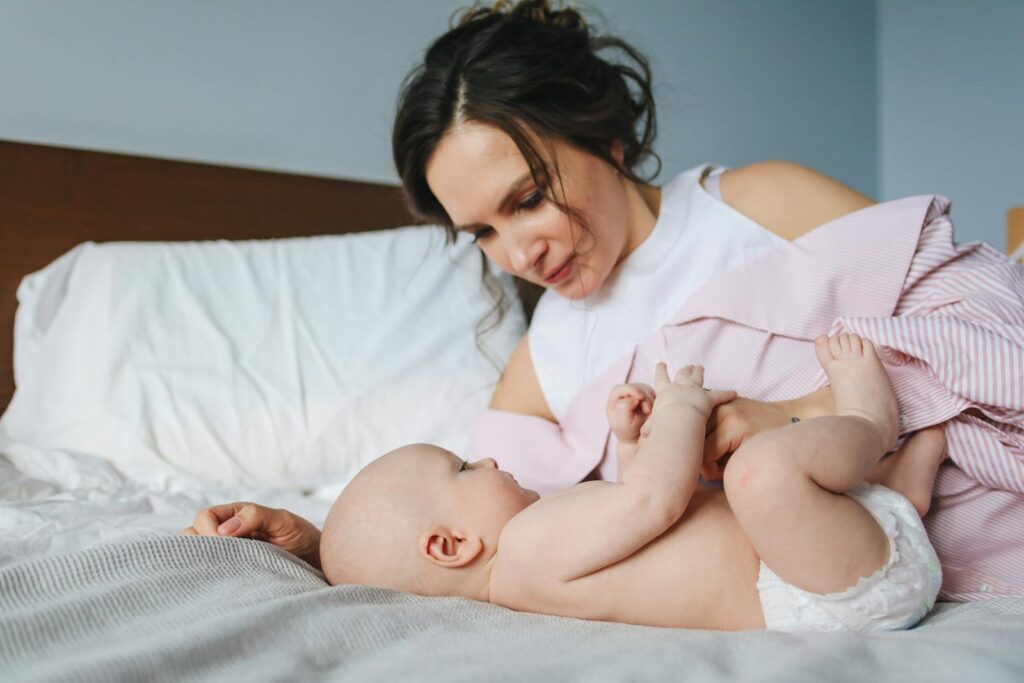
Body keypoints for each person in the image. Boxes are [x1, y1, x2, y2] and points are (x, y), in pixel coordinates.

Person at [389, 0, 1024, 601]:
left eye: (527, 201)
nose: (520, 255)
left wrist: (800, 412)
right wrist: (319, 548)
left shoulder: (759, 205)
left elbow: (990, 321)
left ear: (603, 137)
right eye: (482, 234)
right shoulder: (542, 362)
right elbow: (465, 534)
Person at [183, 334, 945, 631]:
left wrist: (628, 438)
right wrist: (679, 408)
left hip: (833, 556)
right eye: (462, 468)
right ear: (451, 544)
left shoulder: (535, 561)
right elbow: (655, 499)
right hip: (824, 586)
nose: (485, 460)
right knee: (757, 469)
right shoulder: (530, 547)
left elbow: (635, 513)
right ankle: (875, 422)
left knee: (759, 482)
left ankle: (899, 498)